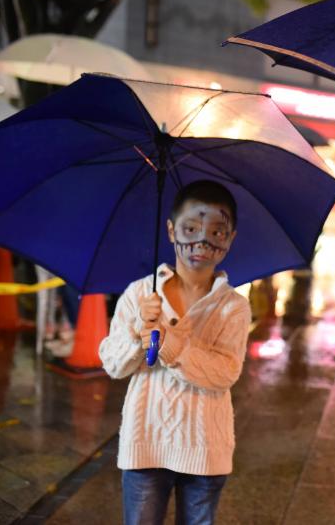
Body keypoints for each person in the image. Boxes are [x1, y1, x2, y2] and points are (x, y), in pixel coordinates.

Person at [99, 180, 251, 525]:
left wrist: (167, 342)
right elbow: (112, 364)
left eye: (217, 231)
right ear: (171, 231)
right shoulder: (140, 294)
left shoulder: (233, 307)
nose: (202, 241)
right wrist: (140, 334)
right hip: (146, 445)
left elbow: (224, 373)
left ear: (231, 238)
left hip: (206, 451)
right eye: (191, 228)